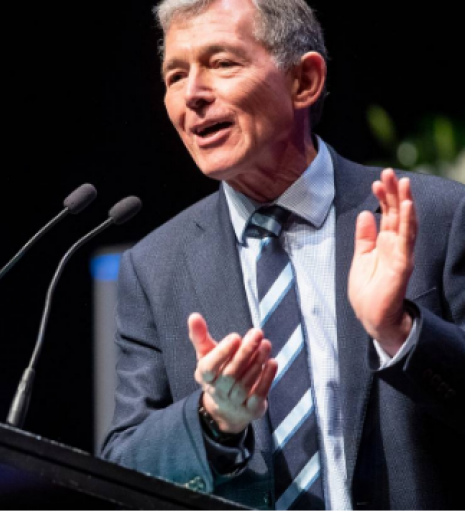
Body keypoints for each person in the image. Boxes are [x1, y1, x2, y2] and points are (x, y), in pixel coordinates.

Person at [101, 0, 465, 509]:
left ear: (304, 81)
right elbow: (124, 466)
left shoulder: (438, 215)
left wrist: (400, 333)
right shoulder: (156, 266)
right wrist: (214, 420)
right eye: (175, 75)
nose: (193, 95)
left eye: (222, 63)